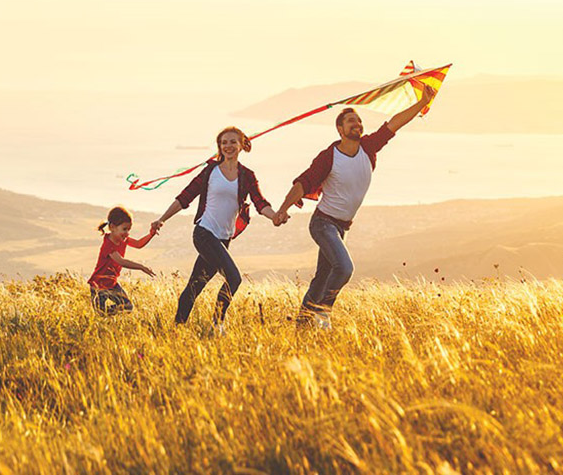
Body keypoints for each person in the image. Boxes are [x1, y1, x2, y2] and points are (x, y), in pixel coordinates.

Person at [274, 85, 437, 329]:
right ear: (339, 129)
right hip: (323, 224)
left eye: (359, 121)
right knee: (344, 268)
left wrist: (421, 102)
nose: (357, 125)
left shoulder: (369, 147)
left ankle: (302, 326)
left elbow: (395, 123)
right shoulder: (329, 156)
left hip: (341, 227)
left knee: (321, 280)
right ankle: (323, 312)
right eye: (351, 121)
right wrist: (282, 209)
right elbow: (303, 182)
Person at [152, 126, 282, 333]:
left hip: (223, 239)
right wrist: (162, 219)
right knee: (234, 278)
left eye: (232, 142)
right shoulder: (210, 172)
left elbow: (260, 202)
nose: (228, 146)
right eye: (224, 143)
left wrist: (274, 216)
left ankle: (176, 329)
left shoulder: (247, 175)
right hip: (204, 233)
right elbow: (185, 197)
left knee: (196, 285)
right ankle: (217, 324)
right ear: (219, 147)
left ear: (241, 145)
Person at [88, 206, 156, 315]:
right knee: (101, 313)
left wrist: (151, 234)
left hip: (112, 284)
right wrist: (141, 267)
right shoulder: (108, 245)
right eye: (124, 229)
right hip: (98, 286)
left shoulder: (123, 240)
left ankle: (106, 318)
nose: (127, 233)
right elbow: (121, 261)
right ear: (112, 227)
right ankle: (104, 318)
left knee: (127, 307)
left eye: (129, 229)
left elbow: (138, 244)